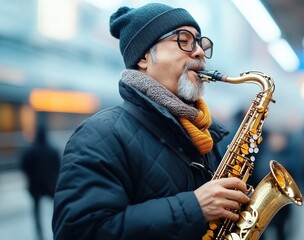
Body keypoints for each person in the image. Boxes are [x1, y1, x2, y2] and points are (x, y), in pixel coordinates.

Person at [52, 3, 249, 240]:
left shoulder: (205, 134)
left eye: (199, 43)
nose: (198, 52)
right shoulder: (99, 134)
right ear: (144, 56)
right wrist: (194, 207)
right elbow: (79, 232)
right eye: (184, 40)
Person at [20, 123, 60, 240]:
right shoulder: (53, 150)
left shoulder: (30, 151)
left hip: (35, 186)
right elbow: (58, 166)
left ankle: (39, 234)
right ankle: (58, 230)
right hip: (50, 185)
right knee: (58, 207)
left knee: (36, 211)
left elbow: (23, 166)